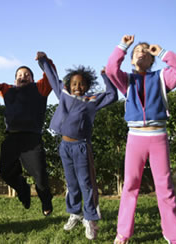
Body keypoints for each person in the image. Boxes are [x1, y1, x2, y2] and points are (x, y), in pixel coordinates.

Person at [105, 35, 176, 244]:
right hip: (135, 138)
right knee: (130, 185)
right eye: (137, 51)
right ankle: (122, 233)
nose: (141, 52)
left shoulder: (161, 78)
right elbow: (112, 69)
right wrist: (123, 46)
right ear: (131, 60)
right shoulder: (127, 81)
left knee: (165, 188)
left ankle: (174, 236)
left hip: (158, 137)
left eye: (145, 51)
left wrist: (162, 53)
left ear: (151, 60)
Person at [36, 51, 118, 240]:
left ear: (88, 85)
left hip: (81, 147)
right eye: (74, 84)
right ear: (69, 85)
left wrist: (106, 76)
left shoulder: (91, 101)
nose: (77, 87)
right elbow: (53, 77)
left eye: (81, 84)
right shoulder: (63, 94)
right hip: (65, 147)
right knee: (72, 184)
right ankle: (75, 213)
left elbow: (112, 95)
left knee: (86, 184)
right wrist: (43, 61)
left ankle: (90, 219)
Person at [0, 61, 53, 216]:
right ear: (15, 80)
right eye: (20, 75)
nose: (23, 77)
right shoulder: (9, 90)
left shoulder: (40, 88)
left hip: (32, 137)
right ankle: (23, 188)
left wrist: (44, 61)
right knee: (5, 172)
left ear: (33, 79)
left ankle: (46, 200)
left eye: (27, 75)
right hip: (12, 137)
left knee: (40, 174)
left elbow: (50, 76)